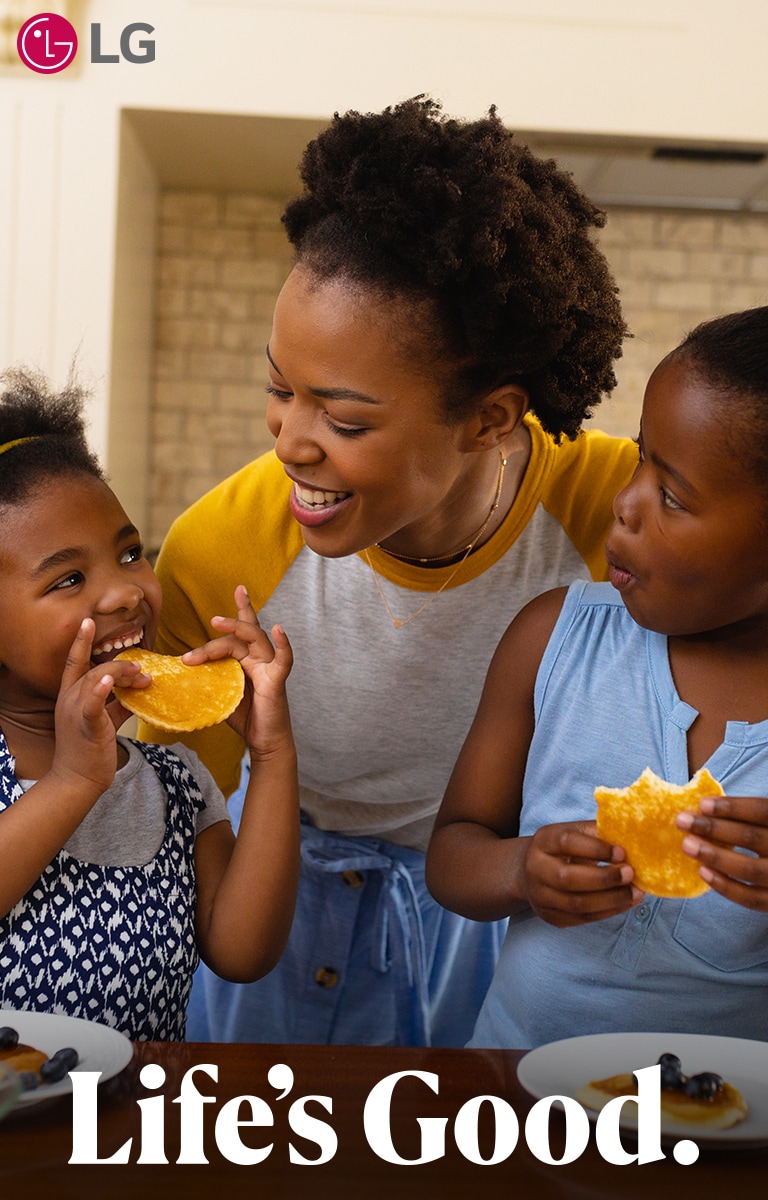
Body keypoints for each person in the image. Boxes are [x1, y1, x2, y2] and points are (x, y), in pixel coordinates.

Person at [141, 96, 638, 1047]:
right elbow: (179, 815)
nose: (291, 443)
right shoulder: (223, 550)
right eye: (280, 390)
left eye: (346, 419)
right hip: (279, 885)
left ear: (491, 418)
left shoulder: (612, 515)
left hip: (486, 905)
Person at [427, 305, 768, 1048]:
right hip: (516, 1100)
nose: (626, 501)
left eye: (673, 496)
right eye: (643, 458)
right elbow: (453, 853)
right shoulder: (554, 638)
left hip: (729, 1137)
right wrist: (521, 869)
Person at [0, 368, 299, 1041]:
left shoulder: (176, 784)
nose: (125, 592)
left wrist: (272, 755)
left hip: (133, 1133)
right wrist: (76, 779)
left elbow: (243, 953)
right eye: (69, 578)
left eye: (130, 553)